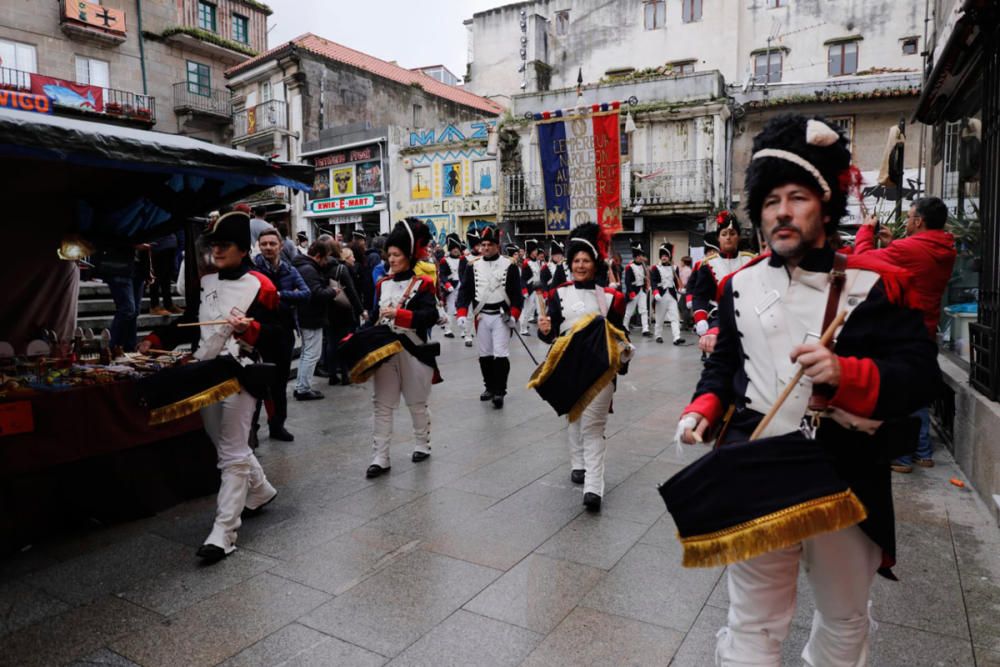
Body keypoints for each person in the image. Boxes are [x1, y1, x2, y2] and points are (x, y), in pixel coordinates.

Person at [677, 114, 940, 665]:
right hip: (759, 466)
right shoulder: (739, 285)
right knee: (750, 627)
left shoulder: (875, 285)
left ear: (824, 205)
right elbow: (725, 365)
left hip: (844, 476)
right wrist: (704, 407)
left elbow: (920, 378)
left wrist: (848, 376)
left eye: (797, 197)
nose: (782, 211)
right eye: (771, 200)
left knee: (844, 623)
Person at [139, 211, 280, 563]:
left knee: (231, 454)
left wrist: (250, 329)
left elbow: (280, 335)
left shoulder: (262, 285)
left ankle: (224, 532)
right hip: (205, 372)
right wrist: (157, 337)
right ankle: (260, 490)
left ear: (243, 249)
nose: (217, 250)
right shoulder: (205, 283)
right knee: (222, 443)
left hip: (241, 373)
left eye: (225, 244)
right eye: (214, 244)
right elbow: (191, 322)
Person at [854, 196, 957, 473]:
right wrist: (891, 245)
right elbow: (913, 267)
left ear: (918, 221)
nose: (907, 221)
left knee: (899, 391)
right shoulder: (945, 247)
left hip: (902, 328)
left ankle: (901, 457)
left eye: (910, 217)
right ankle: (923, 451)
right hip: (926, 326)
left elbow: (862, 260)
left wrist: (866, 231)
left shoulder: (909, 248)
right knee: (918, 389)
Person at [537, 222, 626, 512]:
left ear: (594, 263)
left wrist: (624, 356)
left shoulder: (611, 298)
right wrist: (544, 329)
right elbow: (551, 335)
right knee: (574, 417)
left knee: (593, 426)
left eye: (585, 260)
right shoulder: (558, 295)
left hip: (600, 371)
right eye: (576, 260)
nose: (580, 265)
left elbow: (620, 336)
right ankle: (577, 463)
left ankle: (593, 488)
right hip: (568, 369)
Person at [365, 218, 441, 478]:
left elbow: (428, 316)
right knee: (382, 405)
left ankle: (422, 443)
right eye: (389, 255)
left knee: (417, 403)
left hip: (414, 350)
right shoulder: (382, 284)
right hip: (386, 351)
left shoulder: (423, 284)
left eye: (396, 255)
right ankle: (380, 456)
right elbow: (374, 315)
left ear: (408, 255)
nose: (391, 260)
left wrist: (399, 315)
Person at [456, 223, 524, 409]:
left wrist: (515, 315)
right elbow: (465, 292)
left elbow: (517, 295)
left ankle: (500, 391)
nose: (485, 248)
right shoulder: (472, 266)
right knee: (484, 354)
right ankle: (489, 387)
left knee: (500, 354)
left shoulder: (509, 265)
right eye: (483, 245)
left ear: (497, 246)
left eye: (489, 245)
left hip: (502, 317)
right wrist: (462, 312)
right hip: (482, 316)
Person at [253, 229, 309, 441]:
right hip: (259, 332)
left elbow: (305, 294)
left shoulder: (288, 269)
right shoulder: (253, 270)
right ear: (259, 245)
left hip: (284, 332)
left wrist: (279, 296)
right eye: (264, 243)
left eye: (272, 244)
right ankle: (253, 430)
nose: (268, 247)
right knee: (257, 382)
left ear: (280, 246)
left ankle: (277, 425)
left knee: (279, 382)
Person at [688, 212, 757, 354]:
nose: (728, 237)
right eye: (724, 234)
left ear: (738, 236)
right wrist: (700, 318)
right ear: (718, 238)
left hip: (747, 317)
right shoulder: (708, 264)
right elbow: (700, 295)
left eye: (732, 233)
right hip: (719, 316)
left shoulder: (750, 260)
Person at [291, 241, 338, 400]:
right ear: (318, 256)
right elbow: (316, 293)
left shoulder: (304, 266)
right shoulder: (309, 269)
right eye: (325, 259)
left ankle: (301, 386)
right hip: (311, 317)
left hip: (308, 315)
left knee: (307, 353)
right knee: (312, 354)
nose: (326, 262)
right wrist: (332, 291)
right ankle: (303, 388)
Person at [98, 241, 151, 352]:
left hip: (138, 268)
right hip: (119, 266)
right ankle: (109, 347)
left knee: (134, 311)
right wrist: (131, 244)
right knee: (127, 309)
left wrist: (148, 270)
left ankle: (129, 348)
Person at [651, 242, 686, 345]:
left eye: (666, 255)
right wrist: (655, 292)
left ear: (669, 256)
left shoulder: (674, 268)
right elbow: (653, 282)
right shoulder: (655, 268)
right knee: (660, 318)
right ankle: (658, 335)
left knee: (675, 317)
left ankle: (677, 337)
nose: (664, 257)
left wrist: (680, 289)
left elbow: (676, 281)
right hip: (660, 296)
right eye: (662, 255)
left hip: (671, 295)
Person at [438, 233, 468, 341]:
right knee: (450, 309)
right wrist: (447, 284)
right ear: (450, 249)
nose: (456, 250)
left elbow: (466, 273)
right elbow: (442, 275)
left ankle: (465, 331)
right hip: (451, 287)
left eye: (457, 248)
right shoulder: (444, 261)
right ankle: (448, 330)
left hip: (462, 285)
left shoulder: (463, 260)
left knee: (463, 308)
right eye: (454, 248)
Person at [148, 232, 181, 316]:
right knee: (157, 276)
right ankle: (154, 305)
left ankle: (168, 304)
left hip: (170, 243)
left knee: (167, 277)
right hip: (159, 244)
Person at [622, 243, 651, 337]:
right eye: (639, 256)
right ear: (636, 257)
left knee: (644, 310)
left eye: (641, 256)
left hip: (642, 290)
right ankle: (624, 327)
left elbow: (645, 277)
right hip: (633, 291)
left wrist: (646, 287)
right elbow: (627, 281)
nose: (641, 257)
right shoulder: (629, 267)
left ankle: (645, 329)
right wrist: (630, 292)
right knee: (629, 311)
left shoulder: (643, 265)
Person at [519, 238, 543, 335]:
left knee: (539, 308)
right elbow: (523, 279)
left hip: (537, 288)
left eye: (536, 250)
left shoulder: (536, 262)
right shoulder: (526, 263)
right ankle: (523, 329)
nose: (536, 252)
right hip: (529, 289)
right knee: (527, 310)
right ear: (530, 252)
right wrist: (524, 290)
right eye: (534, 250)